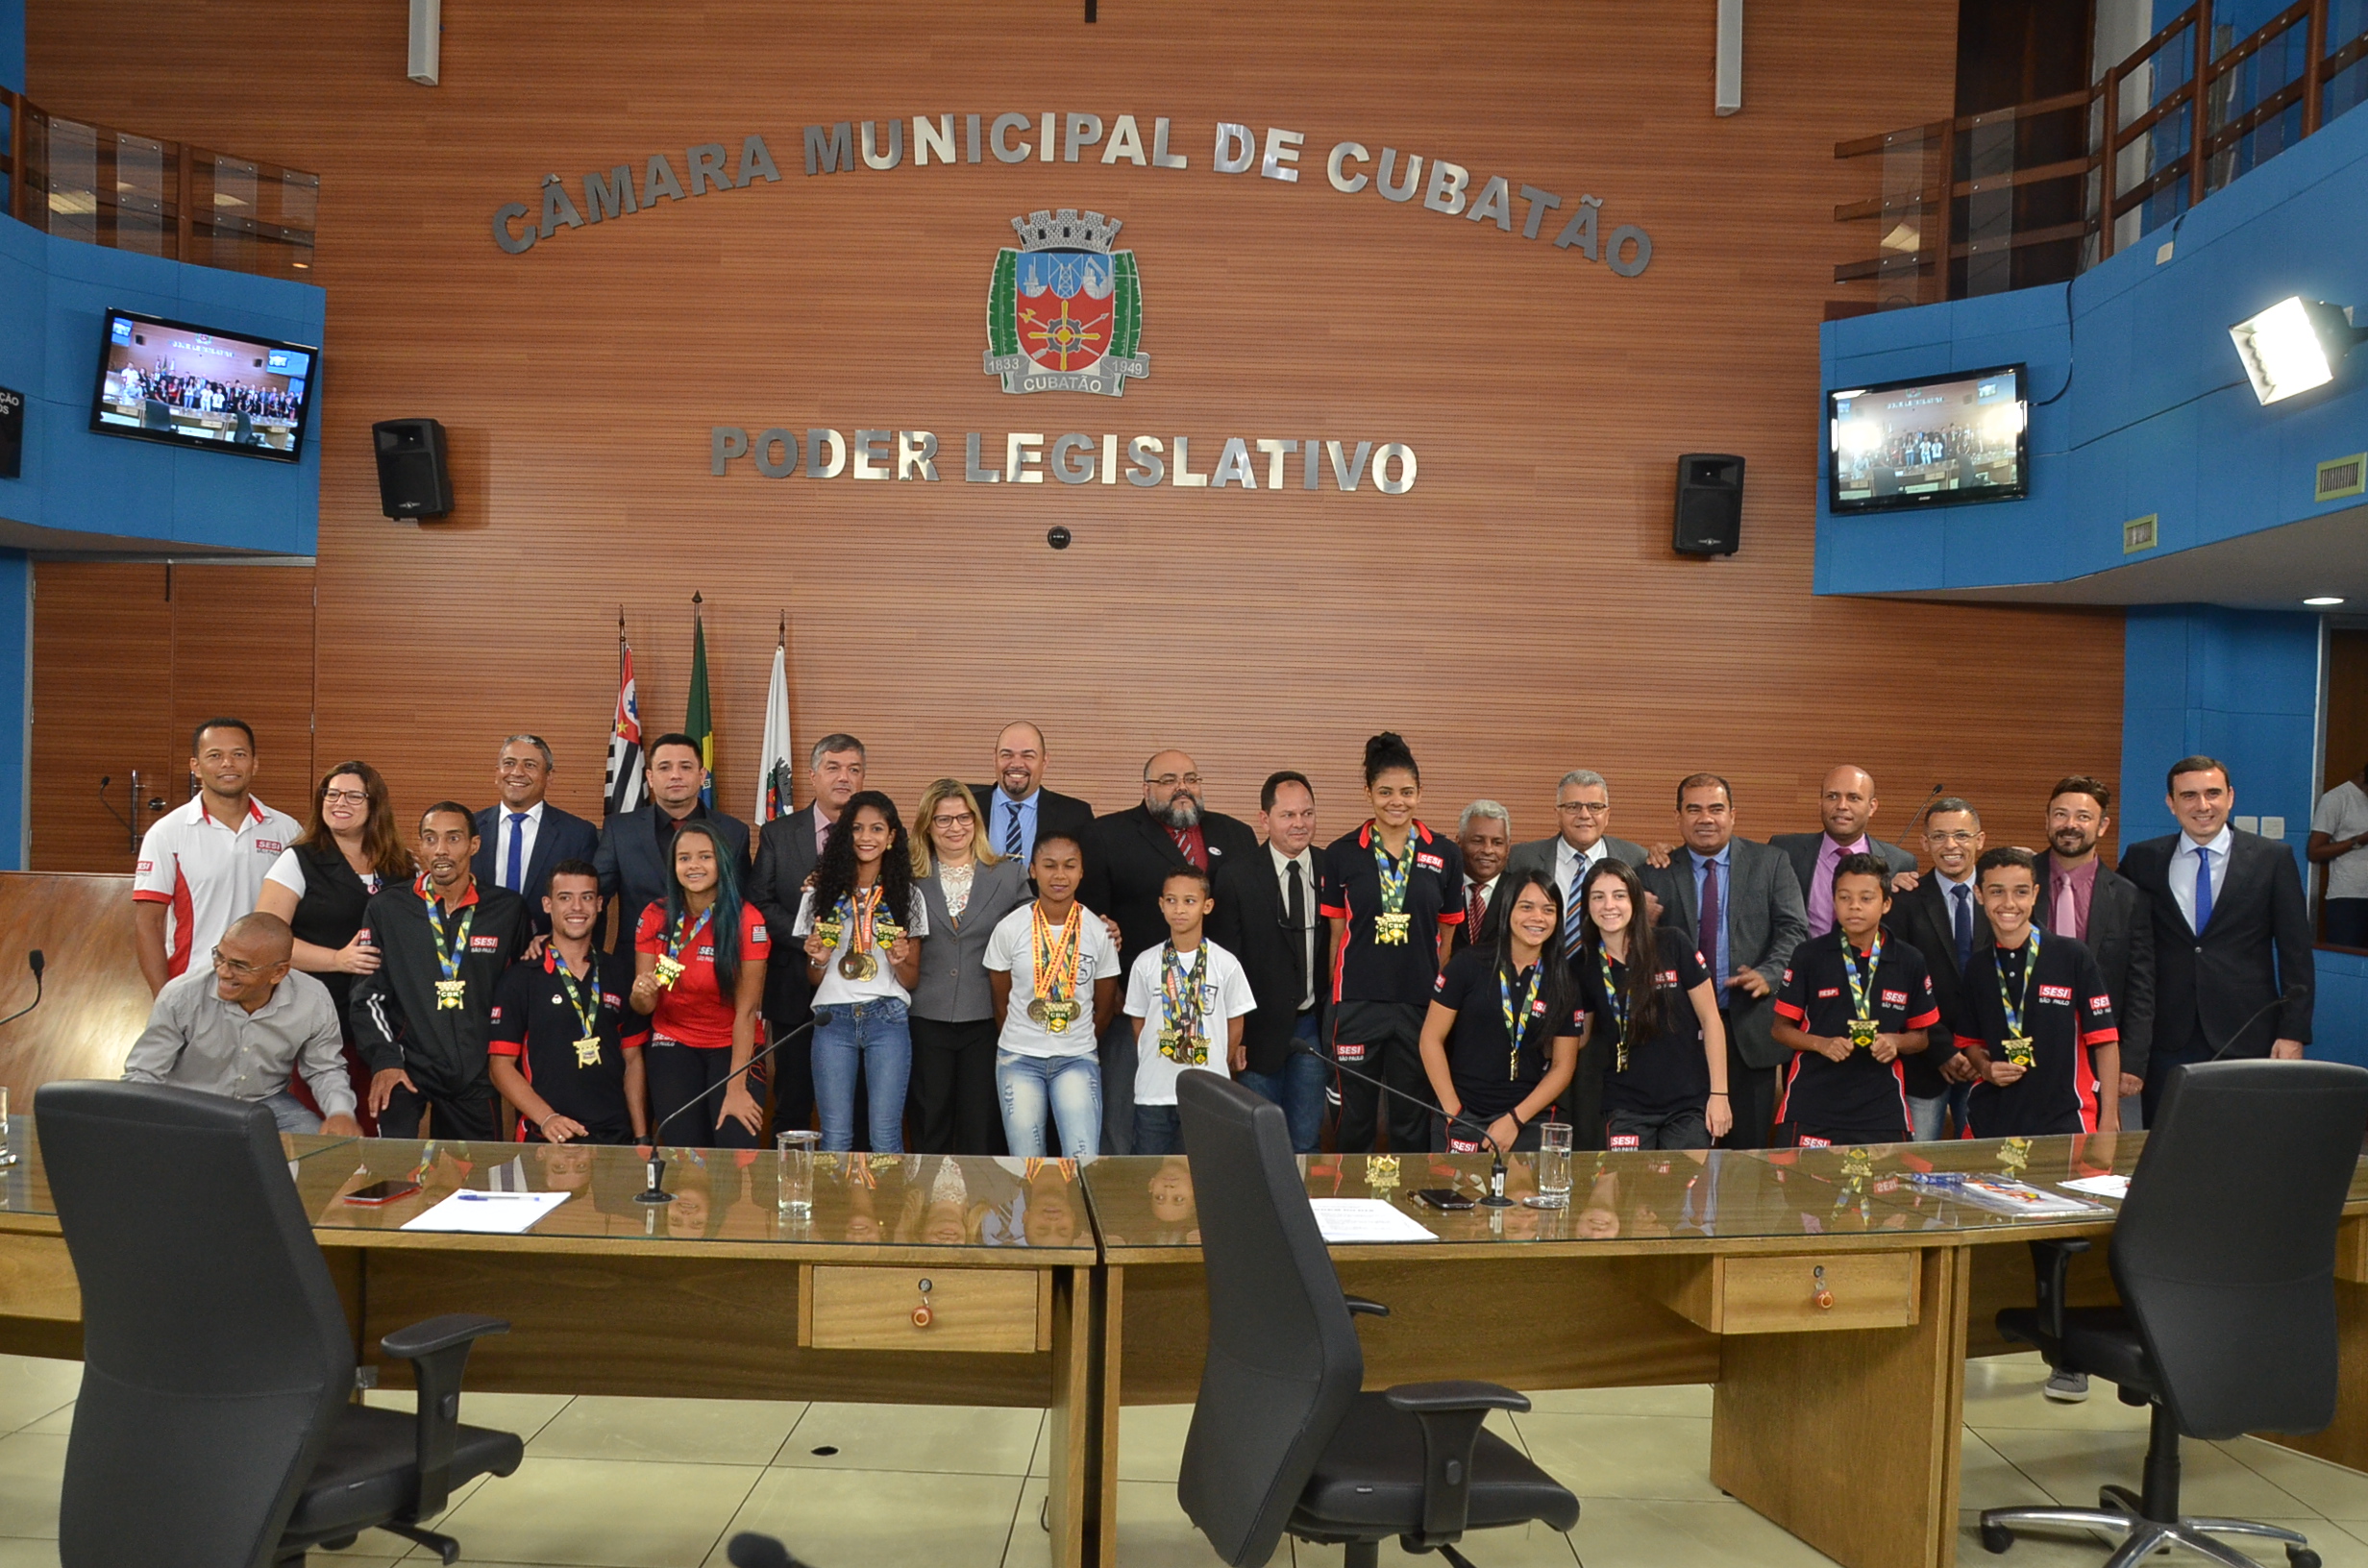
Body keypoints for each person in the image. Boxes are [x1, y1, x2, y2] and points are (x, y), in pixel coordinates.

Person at [2121, 756, 2314, 1125]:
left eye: (2213, 793)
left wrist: (2293, 1032)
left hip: (2247, 1031)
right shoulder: (2143, 859)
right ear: (2171, 803)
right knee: (2167, 1142)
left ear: (2230, 797)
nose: (2203, 805)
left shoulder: (2272, 859)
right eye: (2189, 795)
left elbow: (2296, 953)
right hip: (2167, 1034)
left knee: (2242, 1142)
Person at [1082, 749, 1260, 1152]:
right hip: (1135, 1000)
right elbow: (1092, 919)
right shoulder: (1107, 835)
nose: (1182, 787)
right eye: (1168, 780)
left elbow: (1245, 923)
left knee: (1204, 1133)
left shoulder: (1236, 835)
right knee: (1126, 1124)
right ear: (1146, 788)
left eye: (1191, 779)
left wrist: (1236, 1024)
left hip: (1212, 1013)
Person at [1636, 775, 1810, 1149]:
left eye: (1716, 808)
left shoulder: (1771, 862)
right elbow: (1633, 950)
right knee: (1680, 1157)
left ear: (1733, 814)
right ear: (1678, 817)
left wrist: (1769, 973)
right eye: (1693, 809)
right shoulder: (1654, 870)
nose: (1706, 818)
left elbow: (1794, 930)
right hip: (1676, 1035)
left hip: (1747, 1028)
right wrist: (1642, 925)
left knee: (1745, 1159)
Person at [351, 802, 532, 1140]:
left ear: (474, 845)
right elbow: (366, 997)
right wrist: (385, 1059)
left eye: (453, 839)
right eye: (431, 839)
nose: (441, 851)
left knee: (478, 1185)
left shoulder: (506, 909)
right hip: (407, 1068)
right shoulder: (387, 908)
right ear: (420, 845)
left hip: (477, 1074)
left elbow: (522, 987)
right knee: (393, 1175)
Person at [1320, 732, 1467, 1153]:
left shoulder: (1445, 854)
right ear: (1368, 793)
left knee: (1410, 1123)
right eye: (1385, 792)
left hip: (1418, 1006)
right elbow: (1336, 938)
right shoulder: (1342, 853)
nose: (1395, 802)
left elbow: (1447, 941)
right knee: (1353, 1123)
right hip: (1356, 1005)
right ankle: (1348, 1211)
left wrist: (1432, 997)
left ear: (1420, 793)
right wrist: (1337, 1003)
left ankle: (1407, 1213)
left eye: (1406, 792)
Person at [256, 760, 414, 1133]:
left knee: (383, 1125)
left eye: (353, 795)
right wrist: (337, 960)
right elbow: (265, 944)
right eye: (332, 793)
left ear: (375, 805)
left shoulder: (404, 867)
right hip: (321, 1017)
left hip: (387, 1023)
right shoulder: (297, 860)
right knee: (329, 1128)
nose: (339, 802)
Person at [120, 912, 360, 1136]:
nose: (223, 972)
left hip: (266, 1105)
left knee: (319, 1148)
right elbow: (144, 1073)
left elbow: (325, 1068)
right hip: (187, 1104)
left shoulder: (313, 999)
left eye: (240, 966)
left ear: (278, 973)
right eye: (220, 957)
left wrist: (340, 1112)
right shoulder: (181, 996)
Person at [1769, 853, 1938, 1146]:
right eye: (1844, 897)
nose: (1854, 906)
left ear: (1886, 904)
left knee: (1888, 1193)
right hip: (1813, 1103)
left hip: (1882, 1108)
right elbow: (1780, 1029)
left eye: (1866, 898)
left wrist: (1895, 1042)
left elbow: (1921, 1037)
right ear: (1834, 902)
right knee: (1803, 1192)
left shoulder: (1909, 960)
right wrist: (1821, 1044)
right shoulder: (1808, 955)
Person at [792, 791, 928, 1154]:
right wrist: (818, 958)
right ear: (843, 834)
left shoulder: (909, 897)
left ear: (892, 837)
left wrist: (898, 959)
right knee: (835, 1137)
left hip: (888, 1017)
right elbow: (815, 977)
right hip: (831, 1020)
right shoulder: (817, 894)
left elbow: (911, 980)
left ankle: (889, 1212)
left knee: (885, 1137)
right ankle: (833, 1213)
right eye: (856, 828)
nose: (866, 837)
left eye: (877, 829)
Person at [1957, 847, 2121, 1139]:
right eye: (1997, 892)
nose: (2009, 903)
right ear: (1979, 895)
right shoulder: (1978, 967)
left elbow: (2105, 1041)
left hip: (2064, 1118)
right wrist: (1985, 1068)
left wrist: (2108, 1119)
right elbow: (1970, 1041)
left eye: (2020, 892)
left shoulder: (2072, 955)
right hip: (1993, 1118)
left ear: (2034, 894)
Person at [746, 732, 865, 1133]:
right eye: (833, 768)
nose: (843, 778)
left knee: (858, 1104)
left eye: (853, 769)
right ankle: (790, 1191)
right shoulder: (780, 833)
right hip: (794, 987)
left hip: (860, 990)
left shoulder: (874, 835)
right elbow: (759, 903)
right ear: (813, 776)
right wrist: (809, 942)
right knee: (793, 1099)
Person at [1418, 867, 1583, 1153]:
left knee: (1523, 1197)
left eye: (1548, 910)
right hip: (1464, 1113)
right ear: (1507, 910)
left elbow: (1563, 1066)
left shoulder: (1563, 979)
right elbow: (1430, 1039)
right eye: (1526, 907)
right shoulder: (1467, 965)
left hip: (1528, 1118)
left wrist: (1515, 1119)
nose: (1537, 918)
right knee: (1457, 1198)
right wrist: (1453, 1111)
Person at [629, 820, 771, 1148]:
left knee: (734, 1157)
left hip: (731, 1045)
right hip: (673, 1042)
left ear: (721, 862)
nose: (694, 866)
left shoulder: (747, 920)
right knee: (686, 1159)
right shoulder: (654, 915)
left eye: (705, 857)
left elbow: (747, 1011)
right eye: (684, 858)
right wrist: (640, 993)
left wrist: (736, 1087)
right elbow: (644, 1005)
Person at [1570, 861, 1731, 1149]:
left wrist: (1720, 1095)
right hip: (1624, 1104)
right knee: (1630, 1194)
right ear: (1587, 905)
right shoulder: (1583, 965)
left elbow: (1711, 1020)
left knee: (1685, 1192)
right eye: (1598, 896)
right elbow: (1577, 1037)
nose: (1609, 905)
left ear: (1634, 899)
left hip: (1687, 1102)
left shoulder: (1672, 943)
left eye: (1619, 895)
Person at [133, 718, 302, 992]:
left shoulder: (286, 830)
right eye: (214, 756)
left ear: (254, 763)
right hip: (195, 988)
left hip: (268, 990)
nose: (227, 764)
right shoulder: (166, 833)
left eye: (239, 754)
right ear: (195, 766)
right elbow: (148, 923)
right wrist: (163, 999)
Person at [909, 778, 1031, 1155]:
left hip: (986, 1018)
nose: (955, 828)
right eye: (943, 820)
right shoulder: (907, 874)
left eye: (963, 817)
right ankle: (927, 1211)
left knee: (981, 1125)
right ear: (927, 826)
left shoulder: (1009, 874)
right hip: (925, 1013)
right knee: (931, 1122)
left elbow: (1034, 937)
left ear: (976, 821)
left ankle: (976, 1213)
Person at [488, 860, 648, 1145]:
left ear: (599, 904)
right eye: (565, 898)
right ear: (548, 904)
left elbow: (633, 1060)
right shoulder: (519, 979)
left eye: (586, 897)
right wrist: (547, 1118)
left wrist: (641, 1135)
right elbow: (500, 1067)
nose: (577, 907)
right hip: (549, 1135)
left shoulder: (619, 972)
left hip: (615, 1137)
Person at [1210, 771, 1328, 1152]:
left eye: (1307, 814)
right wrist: (1235, 1033)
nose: (1300, 824)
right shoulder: (1236, 876)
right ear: (1265, 819)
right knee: (1259, 1145)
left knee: (1306, 1141)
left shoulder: (1334, 871)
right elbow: (1228, 963)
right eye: (1288, 815)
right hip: (1258, 1034)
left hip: (1314, 1029)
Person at [987, 832, 1122, 1162]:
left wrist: (1075, 1039)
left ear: (1081, 872)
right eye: (1049, 865)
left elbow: (1104, 1007)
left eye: (1069, 866)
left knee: (1082, 1160)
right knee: (1027, 1162)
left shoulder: (1097, 932)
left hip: (1077, 1059)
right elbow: (1000, 1001)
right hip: (1019, 1059)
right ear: (1032, 870)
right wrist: (1026, 1036)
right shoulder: (1009, 928)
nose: (1059, 875)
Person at [2040, 776, 2155, 1126]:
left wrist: (2132, 1062)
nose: (2070, 825)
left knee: (2095, 1160)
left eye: (2083, 816)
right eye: (2060, 814)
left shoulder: (2128, 896)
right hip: (2023, 1048)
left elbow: (2141, 986)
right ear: (2047, 820)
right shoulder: (2016, 883)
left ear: (2103, 825)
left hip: (2097, 1053)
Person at [1124, 867, 1254, 1155]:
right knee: (1151, 1174)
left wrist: (1217, 1062)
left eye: (1189, 901)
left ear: (1207, 906)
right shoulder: (1145, 963)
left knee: (1204, 1175)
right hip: (1154, 1092)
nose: (1179, 909)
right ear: (1161, 905)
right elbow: (1138, 1024)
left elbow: (1236, 1023)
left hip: (1207, 1092)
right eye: (1171, 901)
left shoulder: (1225, 963)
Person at [1883, 796, 1986, 1139]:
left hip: (1987, 1060)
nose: (1951, 845)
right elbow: (1899, 986)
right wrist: (1944, 1049)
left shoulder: (2000, 899)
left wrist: (1975, 1051)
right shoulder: (1903, 902)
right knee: (1914, 1168)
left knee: (1983, 1171)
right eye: (1939, 836)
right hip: (1924, 1063)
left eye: (1961, 835)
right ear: (1925, 843)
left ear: (1980, 840)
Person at [1504, 770, 1650, 957]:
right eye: (1573, 806)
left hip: (1609, 975)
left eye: (1595, 807)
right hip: (1542, 973)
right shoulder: (1520, 858)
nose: (1584, 814)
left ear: (1607, 814)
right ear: (1557, 813)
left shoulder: (1636, 859)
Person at [472, 733, 600, 934]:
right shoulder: (470, 828)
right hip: (477, 954)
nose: (517, 772)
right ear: (497, 773)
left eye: (530, 765)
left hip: (547, 957)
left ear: (549, 777)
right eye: (509, 763)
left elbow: (589, 909)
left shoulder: (578, 835)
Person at [1768, 766, 1918, 936]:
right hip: (1799, 960)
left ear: (1872, 807)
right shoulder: (1784, 851)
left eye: (1853, 798)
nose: (1842, 806)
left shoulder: (1899, 862)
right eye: (1832, 796)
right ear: (1820, 802)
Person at [969, 721, 1096, 867]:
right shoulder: (967, 808)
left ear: (1044, 761)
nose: (1016, 764)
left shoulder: (1076, 816)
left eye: (1028, 756)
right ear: (994, 758)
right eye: (1006, 755)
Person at [2310, 758, 2368, 947]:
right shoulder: (2336, 799)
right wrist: (2357, 841)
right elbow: (2315, 851)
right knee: (2345, 962)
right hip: (2349, 898)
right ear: (2362, 777)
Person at [1452, 800, 1512, 956]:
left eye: (1497, 842)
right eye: (1478, 841)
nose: (1488, 850)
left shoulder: (1520, 892)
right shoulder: (1442, 887)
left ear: (1508, 847)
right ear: (1459, 842)